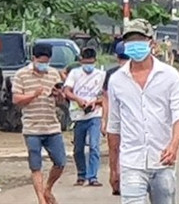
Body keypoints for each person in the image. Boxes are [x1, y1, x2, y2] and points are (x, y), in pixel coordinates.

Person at [107, 19, 179, 204]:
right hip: (131, 163)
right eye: (130, 40)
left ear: (151, 42)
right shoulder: (117, 80)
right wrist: (114, 168)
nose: (135, 44)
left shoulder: (169, 76)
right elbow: (114, 126)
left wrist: (173, 146)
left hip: (162, 161)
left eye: (139, 39)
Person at [12, 43, 67, 204]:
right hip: (32, 128)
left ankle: (47, 188)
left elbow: (61, 101)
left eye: (46, 62)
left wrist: (59, 95)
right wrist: (33, 95)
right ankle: (41, 199)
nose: (44, 64)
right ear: (33, 58)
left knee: (60, 162)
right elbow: (16, 99)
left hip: (52, 126)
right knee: (36, 166)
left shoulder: (53, 74)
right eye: (41, 61)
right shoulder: (21, 75)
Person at [64, 47, 106, 187]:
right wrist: (78, 99)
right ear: (81, 61)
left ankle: (93, 176)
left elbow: (105, 96)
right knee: (78, 148)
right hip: (78, 115)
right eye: (86, 63)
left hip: (95, 115)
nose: (88, 66)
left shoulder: (101, 75)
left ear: (95, 61)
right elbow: (67, 91)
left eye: (91, 63)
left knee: (94, 145)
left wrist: (95, 102)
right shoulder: (75, 74)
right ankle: (81, 175)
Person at [102, 41, 130, 196]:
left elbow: (106, 100)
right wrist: (105, 120)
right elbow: (106, 99)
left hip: (121, 120)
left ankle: (117, 177)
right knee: (118, 150)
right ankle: (117, 177)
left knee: (116, 150)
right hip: (121, 119)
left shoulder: (112, 74)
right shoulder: (113, 75)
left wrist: (104, 120)